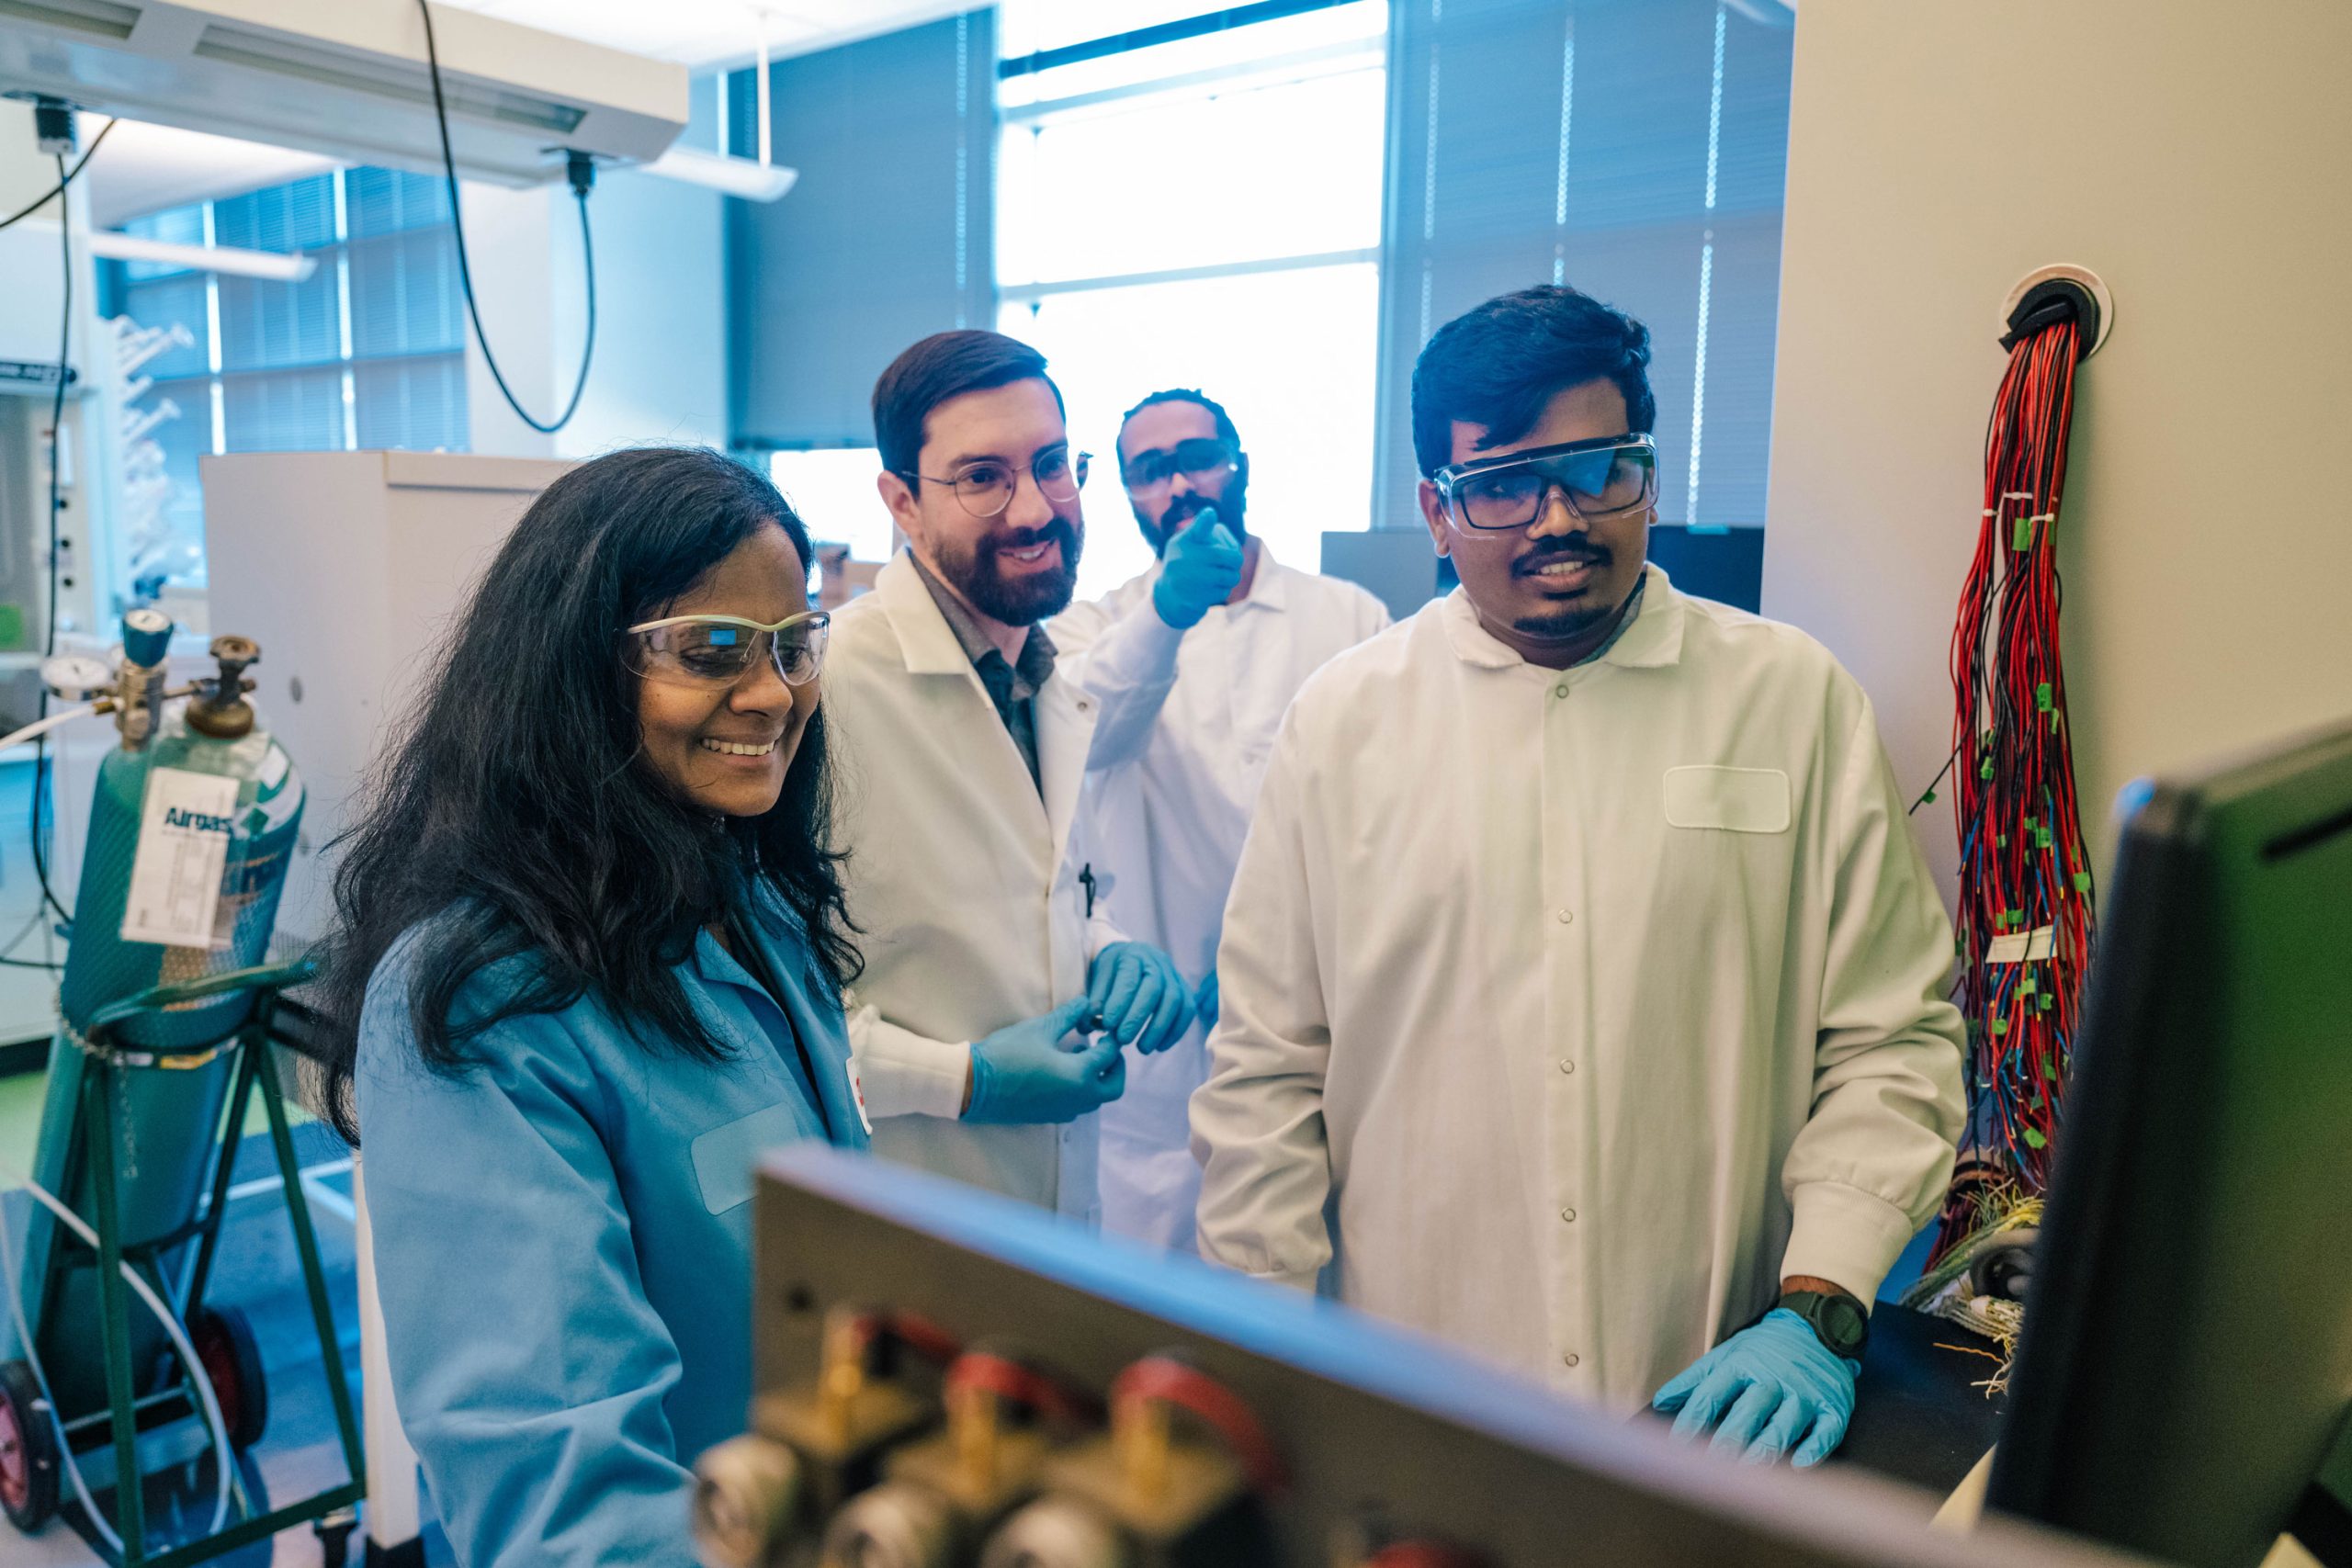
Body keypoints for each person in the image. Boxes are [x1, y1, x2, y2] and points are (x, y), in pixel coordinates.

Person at [1190, 285, 1965, 1469]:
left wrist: (1821, 1302)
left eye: (1602, 467)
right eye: (1501, 482)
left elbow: (1890, 1038)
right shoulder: (1343, 724)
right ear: (1434, 511)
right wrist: (1266, 1359)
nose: (1561, 517)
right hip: (1416, 1397)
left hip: (1715, 1408)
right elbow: (1266, 1073)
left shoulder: (1788, 698)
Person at [320, 447, 870, 1566]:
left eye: (792, 643)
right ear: (572, 673)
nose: (769, 693)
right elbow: (563, 1513)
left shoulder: (749, 905)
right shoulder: (478, 1009)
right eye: (710, 649)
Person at [826, 330, 1192, 1219]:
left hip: (1057, 1214)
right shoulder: (824, 692)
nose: (1035, 510)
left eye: (1054, 465)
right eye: (982, 477)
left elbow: (1034, 895)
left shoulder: (1041, 671)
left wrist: (1106, 948)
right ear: (902, 504)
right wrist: (965, 1081)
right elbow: (757, 1022)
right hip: (907, 1219)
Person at [1050, 389, 1389, 1248]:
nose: (1177, 486)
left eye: (1196, 457)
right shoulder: (1094, 625)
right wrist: (1165, 614)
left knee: (1317, 1277)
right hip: (1166, 1040)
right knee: (1152, 1309)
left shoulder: (1348, 616)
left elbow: (1386, 813)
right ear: (1127, 494)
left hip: (1326, 1012)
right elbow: (1083, 734)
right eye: (1148, 472)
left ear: (1239, 462)